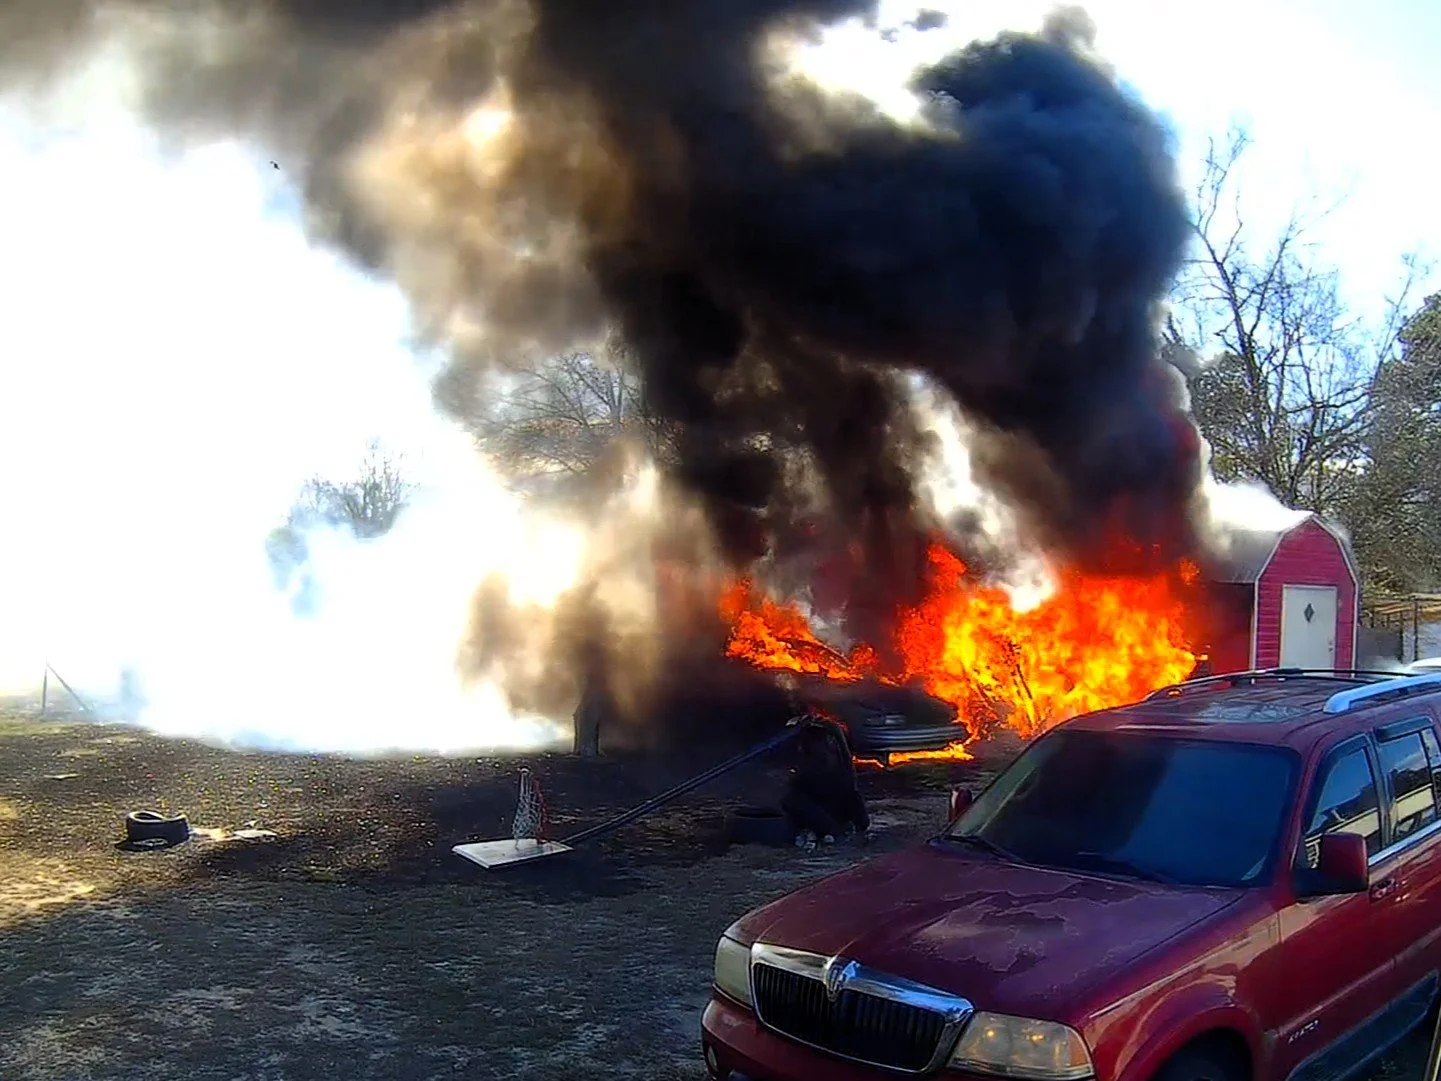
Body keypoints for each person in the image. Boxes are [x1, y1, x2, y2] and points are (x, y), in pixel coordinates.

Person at [782, 719, 870, 849]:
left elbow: (794, 795)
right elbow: (843, 748)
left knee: (790, 799)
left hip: (828, 820)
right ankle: (834, 830)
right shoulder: (843, 766)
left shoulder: (809, 768)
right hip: (845, 816)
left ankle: (824, 832)